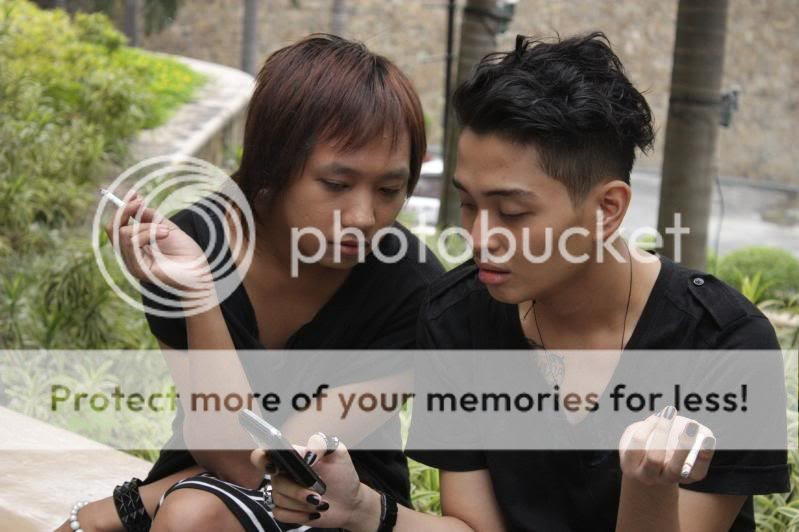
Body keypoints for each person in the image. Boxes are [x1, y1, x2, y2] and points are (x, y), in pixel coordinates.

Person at [250, 32, 790, 531]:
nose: (479, 237)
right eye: (468, 204)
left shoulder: (723, 342)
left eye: (511, 212)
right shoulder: (459, 316)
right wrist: (361, 507)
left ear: (607, 209)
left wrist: (647, 486)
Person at [58, 34, 443, 532]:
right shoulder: (190, 244)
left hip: (331, 507)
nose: (364, 216)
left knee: (193, 515)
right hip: (193, 485)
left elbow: (259, 465)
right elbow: (222, 448)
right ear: (274, 166)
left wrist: (119, 509)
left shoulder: (414, 291)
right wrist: (198, 291)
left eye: (390, 189)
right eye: (336, 184)